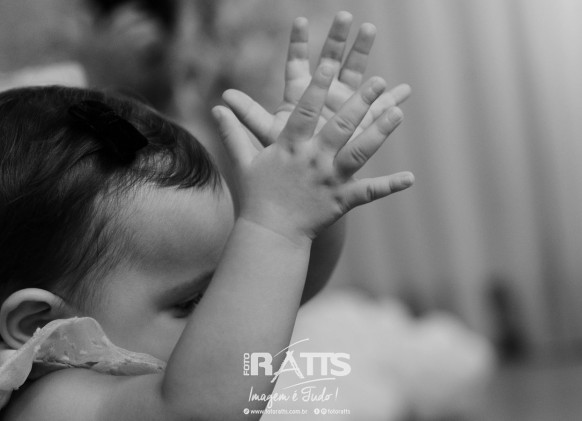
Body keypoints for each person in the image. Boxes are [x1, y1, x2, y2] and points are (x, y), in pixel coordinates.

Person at [0, 12, 413, 420]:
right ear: (39, 324)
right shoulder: (49, 402)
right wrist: (278, 228)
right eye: (189, 302)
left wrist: (306, 210)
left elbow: (275, 294)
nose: (221, 307)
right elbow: (197, 410)